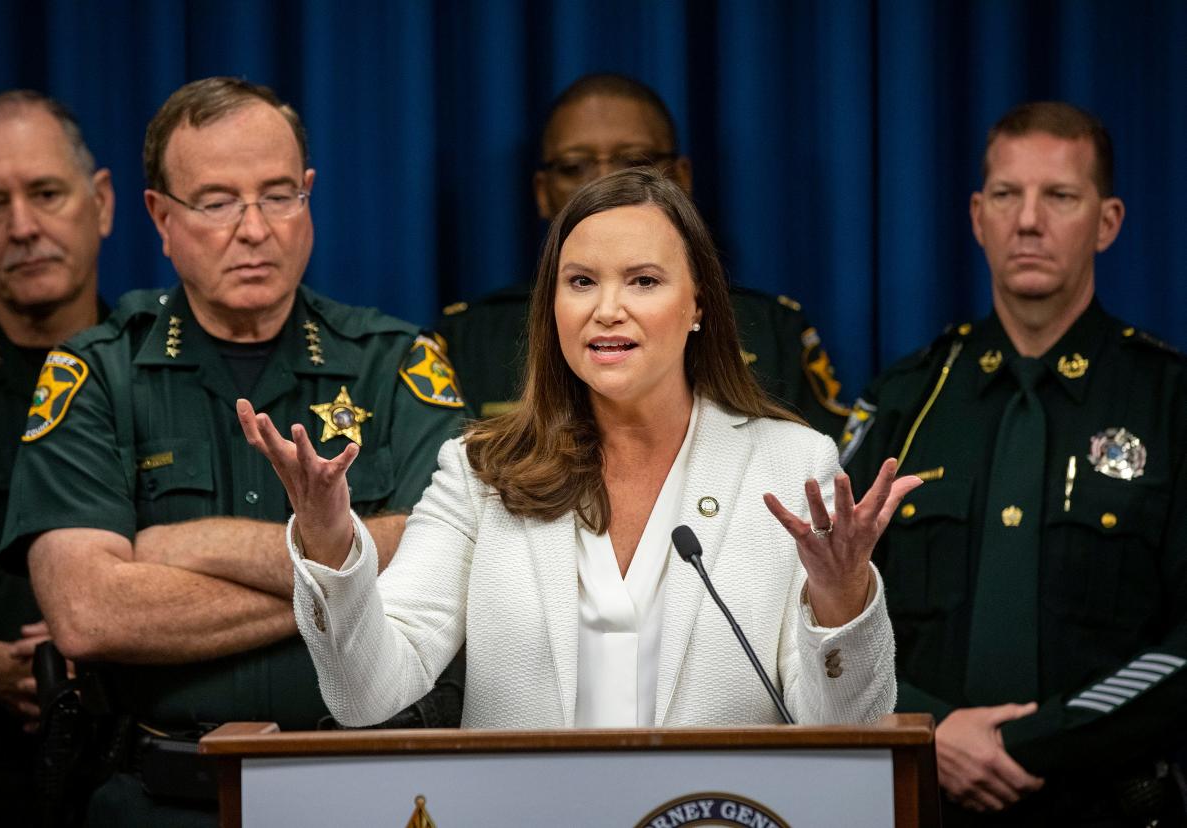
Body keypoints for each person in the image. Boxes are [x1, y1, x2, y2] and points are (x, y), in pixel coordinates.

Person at [242, 167, 916, 730]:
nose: (607, 309)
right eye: (581, 282)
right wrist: (329, 541)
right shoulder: (480, 472)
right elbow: (367, 696)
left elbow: (844, 729)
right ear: (552, 307)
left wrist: (840, 594)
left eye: (644, 281)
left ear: (699, 304)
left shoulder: (792, 465)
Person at [0, 77, 467, 826]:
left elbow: (450, 562)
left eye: (279, 195)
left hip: (374, 794)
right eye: (216, 202)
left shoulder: (397, 362)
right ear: (160, 217)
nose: (255, 228)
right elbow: (89, 613)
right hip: (164, 800)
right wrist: (345, 582)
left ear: (309, 196)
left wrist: (184, 547)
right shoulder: (95, 374)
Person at [843, 101, 1187, 825]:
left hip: (1109, 808)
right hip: (922, 802)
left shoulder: (1171, 402)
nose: (1029, 220)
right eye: (1006, 195)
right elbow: (824, 610)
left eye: (1059, 196)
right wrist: (927, 728)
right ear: (977, 216)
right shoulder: (906, 400)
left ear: (1108, 221)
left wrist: (1028, 744)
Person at [435, 73, 849, 435]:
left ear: (682, 178)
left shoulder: (772, 329)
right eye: (575, 165)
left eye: (635, 162)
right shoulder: (467, 339)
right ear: (542, 192)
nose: (605, 182)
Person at [0, 90, 113, 827]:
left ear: (101, 203)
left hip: (137, 776)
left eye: (46, 193)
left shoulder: (171, 370)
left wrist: (118, 634)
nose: (23, 227)